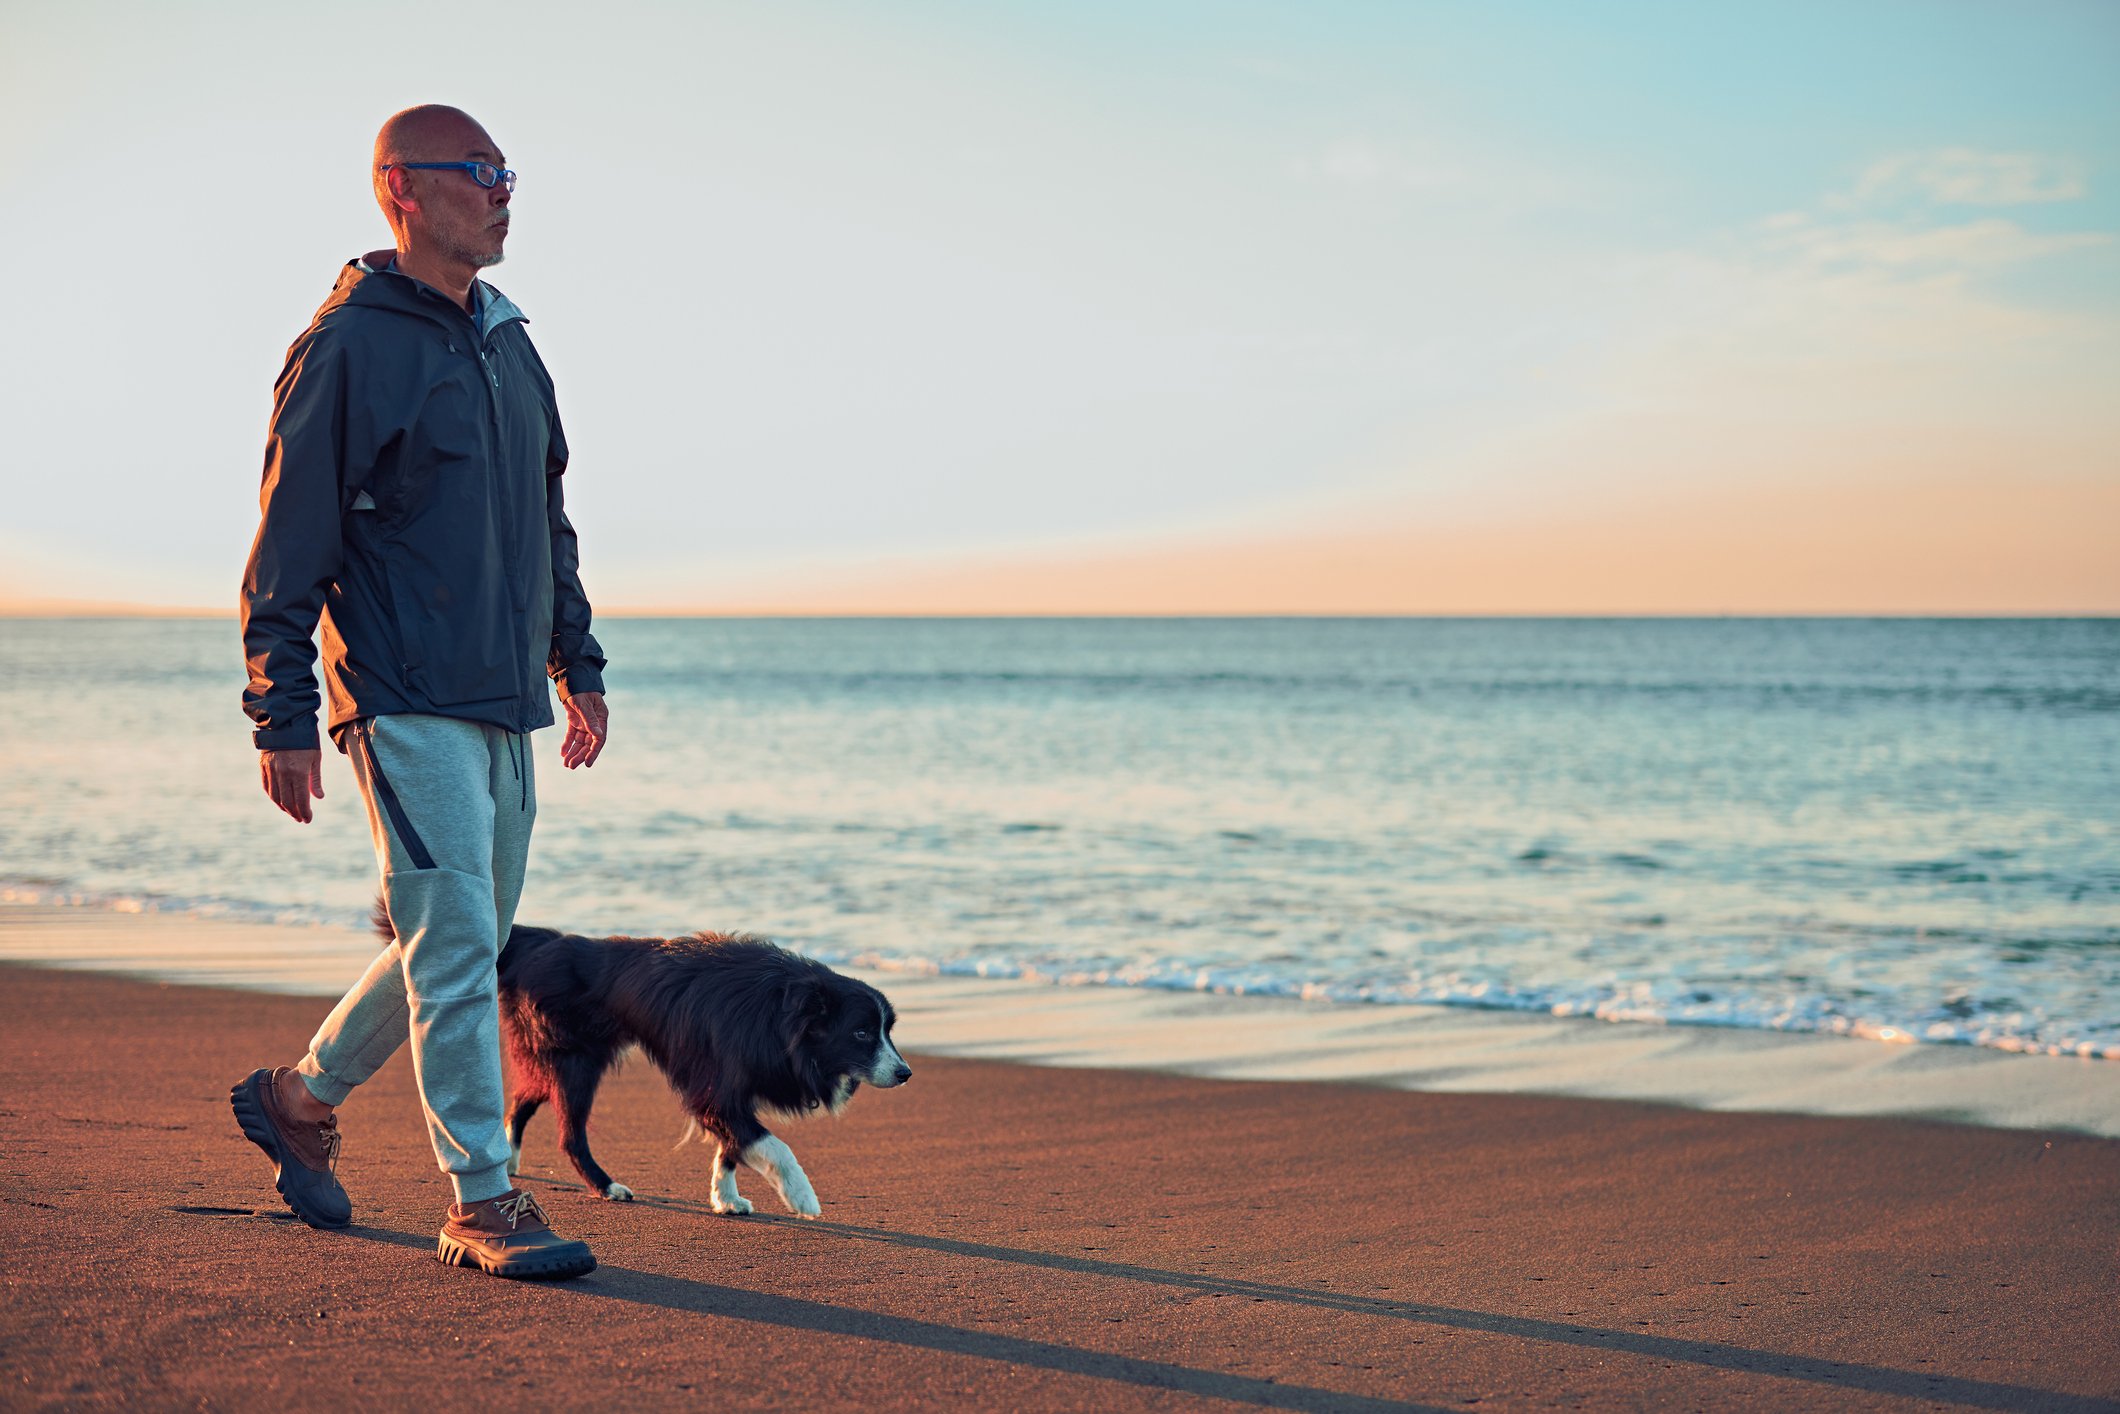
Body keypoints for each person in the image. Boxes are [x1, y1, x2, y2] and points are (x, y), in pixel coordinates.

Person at [232, 104, 608, 1281]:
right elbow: (287, 539)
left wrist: (575, 663)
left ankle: (300, 1095)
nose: (504, 192)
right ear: (403, 188)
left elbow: (546, 524)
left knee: (463, 937)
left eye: (509, 173)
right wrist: (281, 710)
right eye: (479, 172)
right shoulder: (348, 345)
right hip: (396, 693)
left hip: (502, 699)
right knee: (453, 948)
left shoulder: (510, 345)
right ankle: (482, 1198)